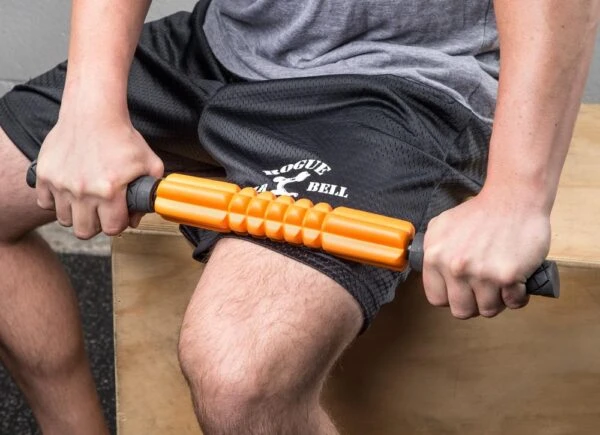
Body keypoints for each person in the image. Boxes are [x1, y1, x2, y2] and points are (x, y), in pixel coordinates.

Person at [0, 0, 598, 433]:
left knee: (240, 379)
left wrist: (516, 198)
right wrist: (90, 109)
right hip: (223, 43)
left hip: (394, 80)